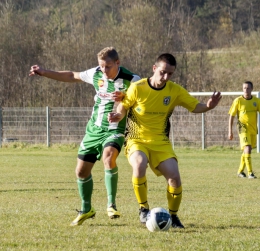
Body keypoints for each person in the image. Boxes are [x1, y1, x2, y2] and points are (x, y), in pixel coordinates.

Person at [108, 53, 222, 228]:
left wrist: (208, 106)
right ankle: (144, 209)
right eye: (162, 72)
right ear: (154, 68)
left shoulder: (174, 90)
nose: (166, 77)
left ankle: (174, 217)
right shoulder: (138, 87)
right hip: (136, 139)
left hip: (160, 142)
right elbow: (124, 105)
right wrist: (118, 114)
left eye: (170, 74)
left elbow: (195, 107)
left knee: (174, 178)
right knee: (139, 164)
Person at [29, 47, 140, 226]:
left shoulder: (132, 80)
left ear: (117, 63)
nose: (104, 70)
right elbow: (72, 76)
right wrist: (44, 72)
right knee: (81, 172)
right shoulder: (96, 73)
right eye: (101, 66)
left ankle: (111, 204)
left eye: (108, 66)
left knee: (109, 157)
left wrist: (125, 103)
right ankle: (86, 209)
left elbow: (145, 96)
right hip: (93, 131)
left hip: (114, 130)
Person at [228, 81, 260, 179]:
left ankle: (240, 171)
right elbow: (231, 116)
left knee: (247, 150)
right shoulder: (238, 100)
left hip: (253, 128)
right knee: (248, 147)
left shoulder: (256, 101)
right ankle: (250, 173)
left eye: (248, 88)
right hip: (242, 127)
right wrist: (230, 131)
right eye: (244, 88)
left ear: (251, 89)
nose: (246, 90)